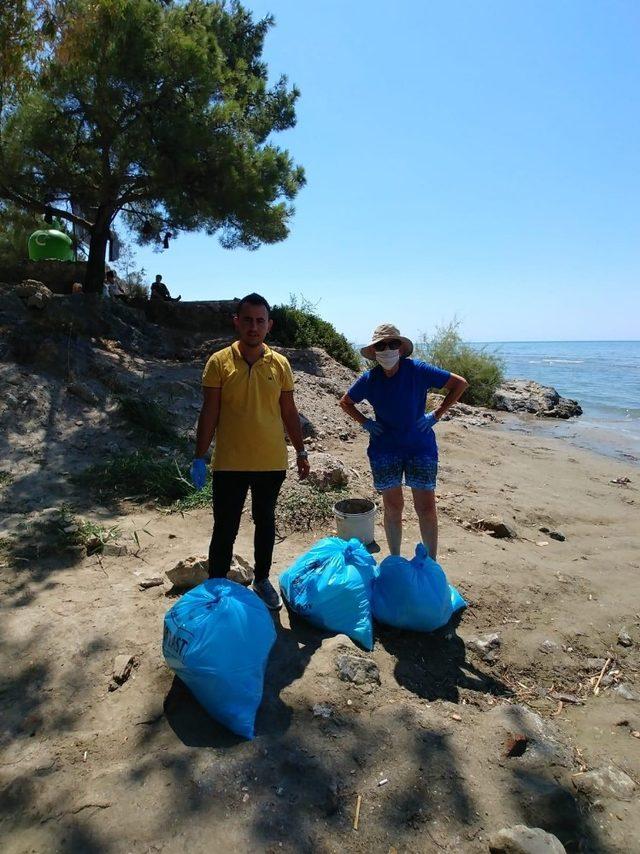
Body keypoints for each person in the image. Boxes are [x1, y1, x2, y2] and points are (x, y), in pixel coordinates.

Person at [190, 292, 310, 609]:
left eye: (260, 321)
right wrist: (200, 455)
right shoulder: (218, 362)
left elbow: (289, 412)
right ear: (237, 323)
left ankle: (262, 580)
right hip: (229, 462)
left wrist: (301, 451)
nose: (253, 327)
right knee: (225, 526)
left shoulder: (280, 364)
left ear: (269, 325)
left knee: (265, 521)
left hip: (271, 462)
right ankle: (216, 586)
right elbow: (209, 412)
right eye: (248, 320)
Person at [339, 323, 468, 560]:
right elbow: (345, 402)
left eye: (393, 344)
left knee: (426, 508)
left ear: (400, 348)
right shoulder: (370, 379)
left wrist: (436, 414)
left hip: (420, 448)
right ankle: (396, 559)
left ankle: (430, 563)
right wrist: (366, 422)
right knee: (393, 507)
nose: (387, 349)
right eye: (381, 345)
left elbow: (459, 384)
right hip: (385, 450)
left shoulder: (417, 370)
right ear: (374, 351)